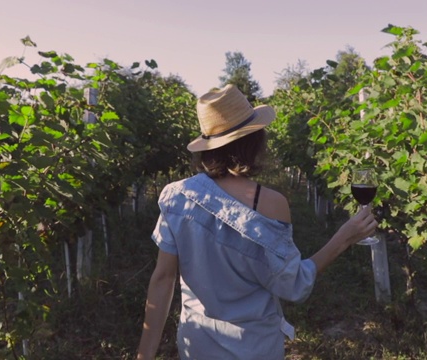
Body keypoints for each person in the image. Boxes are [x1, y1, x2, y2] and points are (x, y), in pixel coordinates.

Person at [136, 84, 377, 360]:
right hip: (254, 348)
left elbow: (163, 278)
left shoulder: (176, 197)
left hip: (197, 345)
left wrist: (144, 355)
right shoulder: (270, 203)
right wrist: (344, 237)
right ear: (254, 141)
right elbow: (293, 284)